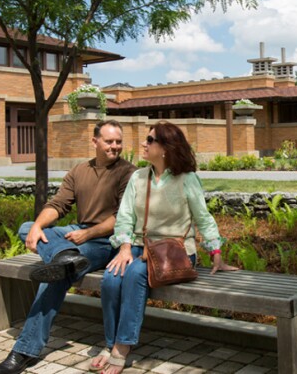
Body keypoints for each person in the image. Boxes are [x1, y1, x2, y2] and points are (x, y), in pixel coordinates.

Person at [0, 119, 136, 374]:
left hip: (105, 241)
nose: (115, 147)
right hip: (77, 235)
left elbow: (123, 218)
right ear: (95, 141)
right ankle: (63, 257)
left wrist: (88, 233)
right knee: (27, 227)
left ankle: (24, 351)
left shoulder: (128, 172)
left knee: (57, 276)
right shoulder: (79, 171)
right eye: (109, 141)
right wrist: (37, 227)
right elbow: (57, 205)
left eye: (118, 142)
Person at [91, 121, 238, 374]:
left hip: (176, 252)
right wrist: (125, 248)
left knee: (136, 273)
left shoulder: (187, 179)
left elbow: (203, 218)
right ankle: (111, 341)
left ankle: (122, 347)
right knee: (111, 278)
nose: (144, 144)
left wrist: (216, 253)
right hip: (138, 246)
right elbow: (125, 217)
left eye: (150, 140)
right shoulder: (138, 176)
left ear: (166, 148)